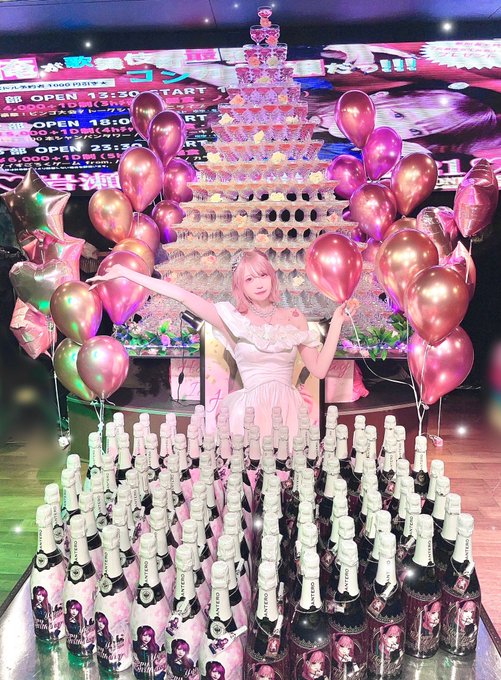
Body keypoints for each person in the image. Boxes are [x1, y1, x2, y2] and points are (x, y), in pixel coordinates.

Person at [88, 249, 358, 438]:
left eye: (262, 275)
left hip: (288, 412)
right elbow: (181, 295)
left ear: (271, 277)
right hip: (249, 414)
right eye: (249, 279)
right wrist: (125, 273)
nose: (258, 284)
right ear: (240, 286)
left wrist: (336, 322)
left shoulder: (294, 318)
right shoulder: (232, 320)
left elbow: (319, 369)